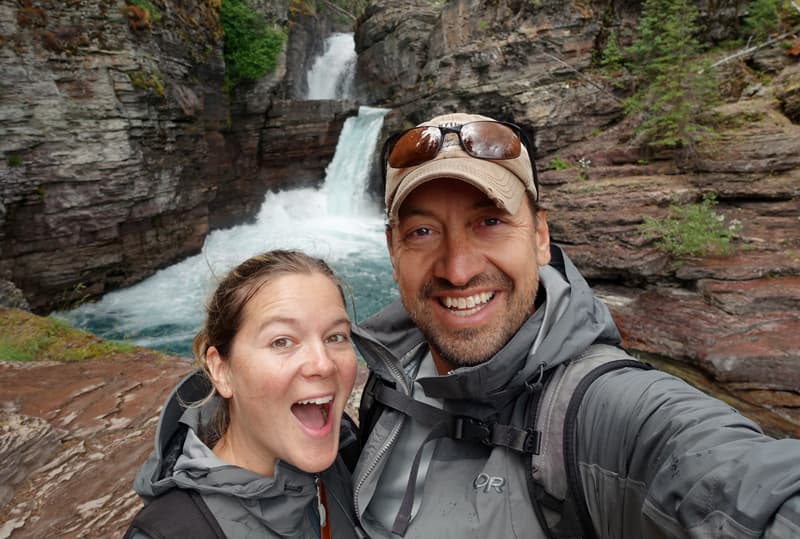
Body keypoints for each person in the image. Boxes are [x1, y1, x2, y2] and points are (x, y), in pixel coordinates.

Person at [350, 113, 800, 538]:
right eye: (422, 232)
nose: (458, 269)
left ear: (540, 237)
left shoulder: (603, 411)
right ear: (393, 253)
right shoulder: (390, 377)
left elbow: (744, 481)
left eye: (489, 221)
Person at [125, 250, 361, 538]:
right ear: (221, 371)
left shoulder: (352, 455)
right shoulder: (170, 532)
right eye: (282, 341)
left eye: (335, 337)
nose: (323, 364)